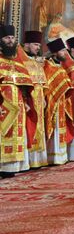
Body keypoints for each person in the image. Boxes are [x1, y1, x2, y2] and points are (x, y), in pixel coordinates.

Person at [0, 25, 33, 175]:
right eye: (7, 38)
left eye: (13, 38)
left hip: (18, 102)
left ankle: (13, 166)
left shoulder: (18, 61)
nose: (10, 41)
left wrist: (26, 101)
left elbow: (25, 84)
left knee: (17, 132)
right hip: (2, 102)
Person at [18, 30, 48, 168]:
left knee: (39, 128)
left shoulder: (36, 62)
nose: (38, 47)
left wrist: (45, 97)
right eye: (36, 44)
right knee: (28, 128)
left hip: (39, 98)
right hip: (28, 99)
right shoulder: (20, 60)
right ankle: (27, 160)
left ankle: (37, 160)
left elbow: (43, 82)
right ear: (27, 44)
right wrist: (24, 100)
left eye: (39, 45)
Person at [43, 39, 74, 165]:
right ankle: (53, 157)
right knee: (54, 128)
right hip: (53, 102)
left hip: (62, 102)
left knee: (60, 127)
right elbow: (49, 85)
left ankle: (61, 156)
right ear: (55, 53)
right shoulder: (48, 66)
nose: (65, 54)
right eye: (62, 51)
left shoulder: (60, 67)